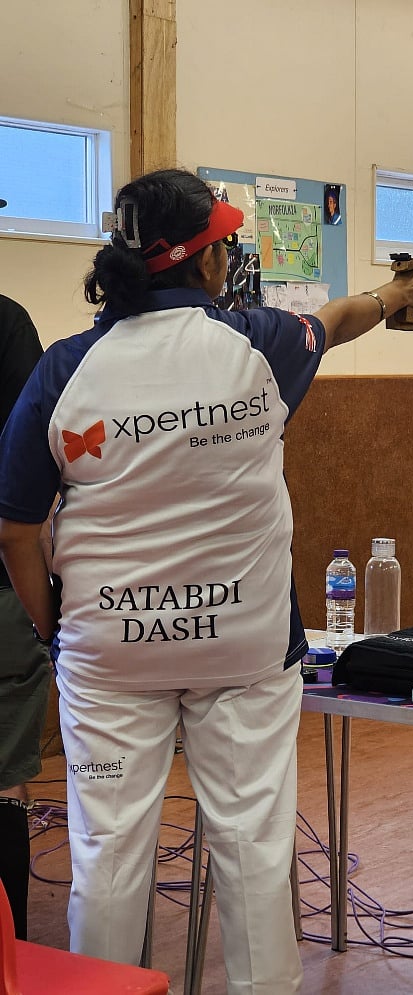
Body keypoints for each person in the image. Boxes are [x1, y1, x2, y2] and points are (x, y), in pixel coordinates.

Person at [0, 168, 413, 993]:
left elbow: (17, 527)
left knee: (108, 857)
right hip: (242, 646)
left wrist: (55, 629)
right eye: (227, 242)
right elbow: (337, 321)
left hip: (111, 651)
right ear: (203, 261)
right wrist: (395, 295)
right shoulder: (258, 345)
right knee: (252, 850)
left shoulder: (65, 371)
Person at [0, 289, 52, 940]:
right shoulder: (7, 323)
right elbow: (29, 468)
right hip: (2, 593)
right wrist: (48, 624)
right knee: (4, 781)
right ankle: (9, 958)